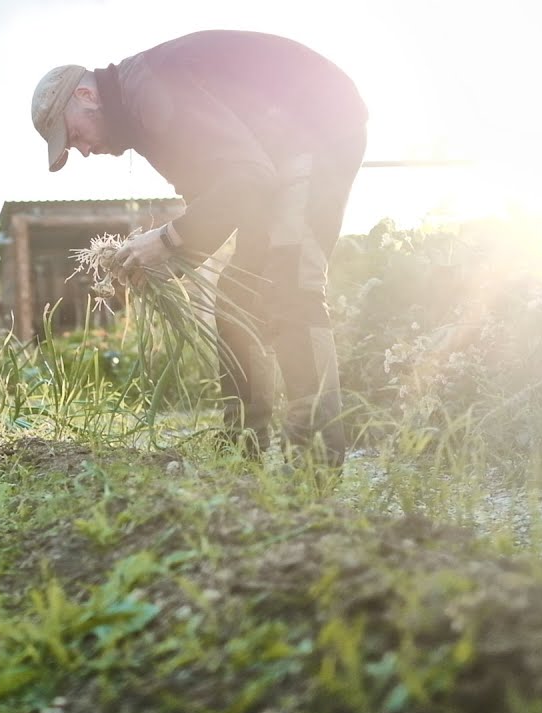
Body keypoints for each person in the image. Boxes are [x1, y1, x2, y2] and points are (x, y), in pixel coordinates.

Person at [30, 29, 369, 468]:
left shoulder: (150, 91)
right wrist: (166, 260)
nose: (84, 151)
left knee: (290, 283)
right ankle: (241, 447)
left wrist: (167, 239)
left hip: (316, 126)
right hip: (271, 155)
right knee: (234, 296)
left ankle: (316, 460)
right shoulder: (140, 118)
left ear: (85, 95)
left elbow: (246, 184)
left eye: (74, 136)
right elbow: (217, 202)